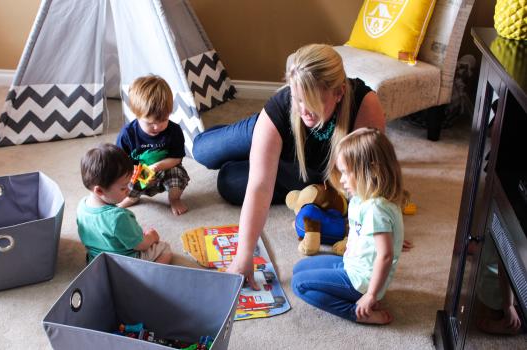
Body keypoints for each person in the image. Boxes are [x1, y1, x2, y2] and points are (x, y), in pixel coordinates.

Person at [193, 43, 386, 287]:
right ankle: (252, 139)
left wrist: (381, 227)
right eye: (298, 99)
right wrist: (243, 257)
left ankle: (267, 159)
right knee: (202, 151)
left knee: (229, 181)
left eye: (313, 101)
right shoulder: (282, 108)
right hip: (270, 132)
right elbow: (259, 187)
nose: (304, 110)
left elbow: (372, 176)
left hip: (310, 170)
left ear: (339, 93)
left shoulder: (365, 104)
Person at [292, 127, 405, 324]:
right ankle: (363, 297)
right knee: (299, 268)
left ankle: (357, 312)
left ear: (372, 170)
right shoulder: (362, 199)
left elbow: (385, 255)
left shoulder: (375, 209)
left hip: (360, 282)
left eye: (346, 173)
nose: (342, 179)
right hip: (351, 265)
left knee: (299, 284)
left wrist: (371, 294)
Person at [77, 143, 172, 264]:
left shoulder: (82, 206)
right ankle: (149, 277)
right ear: (99, 190)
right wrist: (151, 237)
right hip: (125, 262)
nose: (128, 189)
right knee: (165, 248)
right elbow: (141, 245)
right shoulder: (119, 217)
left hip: (97, 261)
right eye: (123, 188)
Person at [116, 75, 190, 215]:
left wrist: (156, 167)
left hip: (164, 170)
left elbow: (176, 158)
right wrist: (136, 173)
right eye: (150, 123)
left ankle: (174, 199)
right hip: (137, 172)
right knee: (122, 179)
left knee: (178, 174)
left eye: (163, 120)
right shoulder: (128, 134)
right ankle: (132, 198)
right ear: (137, 115)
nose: (157, 127)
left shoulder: (174, 131)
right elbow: (119, 161)